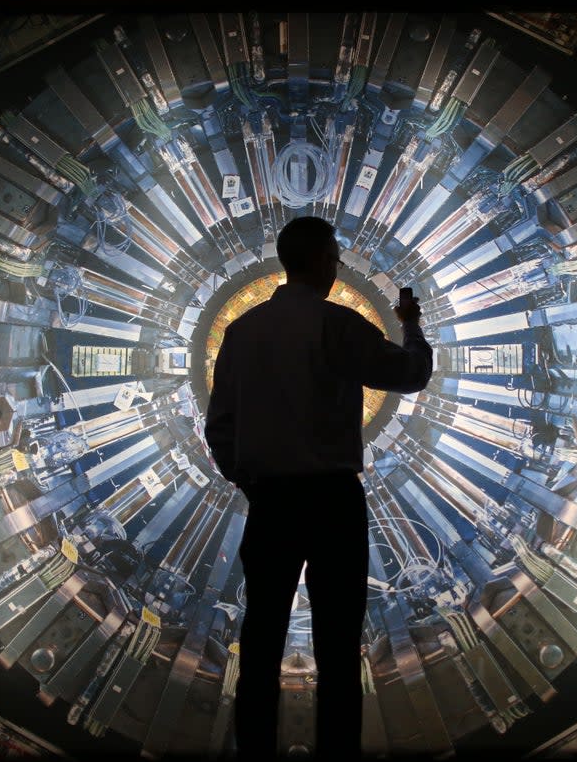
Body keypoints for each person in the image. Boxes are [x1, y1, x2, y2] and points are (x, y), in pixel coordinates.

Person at [204, 215, 433, 759]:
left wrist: (251, 481)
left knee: (260, 644)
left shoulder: (242, 332)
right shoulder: (341, 326)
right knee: (336, 647)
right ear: (326, 262)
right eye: (335, 256)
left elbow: (219, 427)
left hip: (272, 502)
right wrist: (411, 324)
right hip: (333, 501)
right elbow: (411, 373)